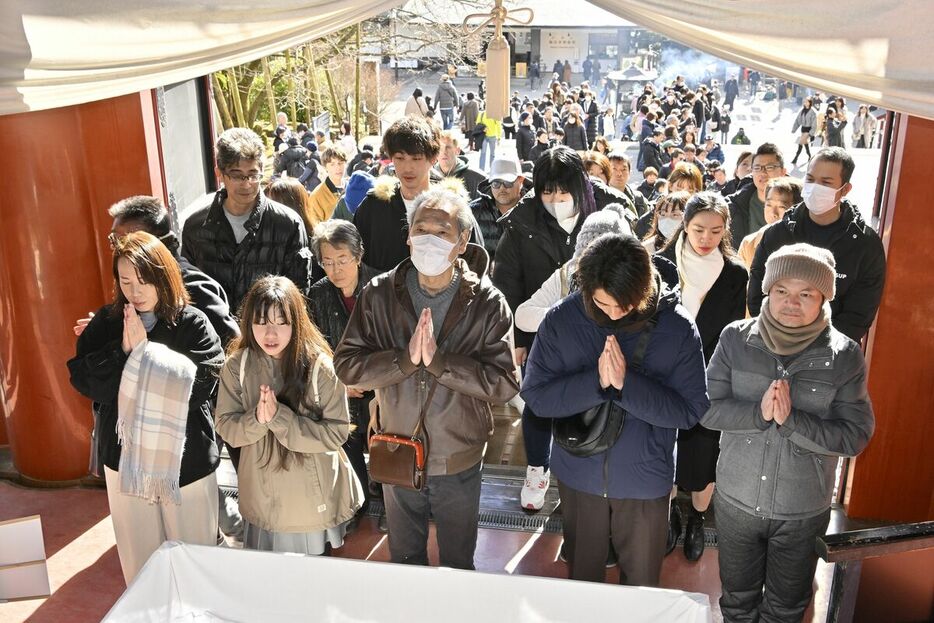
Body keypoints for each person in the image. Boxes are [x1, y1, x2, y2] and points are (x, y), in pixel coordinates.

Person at [334, 188, 519, 569]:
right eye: (422, 229)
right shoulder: (379, 293)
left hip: (459, 454)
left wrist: (439, 363)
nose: (429, 240)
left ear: (463, 241)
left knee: (457, 559)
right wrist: (403, 361)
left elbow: (504, 383)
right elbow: (347, 365)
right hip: (395, 447)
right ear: (408, 235)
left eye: (442, 231)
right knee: (404, 558)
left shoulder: (487, 302)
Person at [521, 233, 709, 586]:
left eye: (627, 304)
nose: (615, 313)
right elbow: (537, 396)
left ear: (647, 286)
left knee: (640, 585)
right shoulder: (562, 319)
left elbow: (690, 410)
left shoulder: (678, 327)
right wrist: (596, 382)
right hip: (579, 476)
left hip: (645, 480)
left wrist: (626, 385)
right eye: (603, 305)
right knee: (583, 579)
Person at [703, 243, 875, 622]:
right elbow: (706, 408)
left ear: (824, 298)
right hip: (736, 503)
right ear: (767, 290)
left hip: (801, 511)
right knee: (736, 601)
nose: (790, 303)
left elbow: (855, 436)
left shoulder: (844, 355)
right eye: (781, 290)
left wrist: (793, 420)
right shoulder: (735, 338)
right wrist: (758, 413)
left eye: (805, 294)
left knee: (785, 609)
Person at [68, 232, 224, 584]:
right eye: (125, 281)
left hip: (187, 460)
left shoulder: (192, 322)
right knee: (141, 565)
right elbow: (82, 378)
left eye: (144, 280)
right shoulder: (107, 323)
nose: (135, 291)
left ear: (164, 275)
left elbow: (201, 383)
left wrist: (144, 356)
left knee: (196, 560)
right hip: (126, 463)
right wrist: (122, 353)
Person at [215, 276, 363, 554]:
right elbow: (225, 426)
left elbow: (337, 432)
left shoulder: (320, 366)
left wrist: (280, 419)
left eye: (281, 322)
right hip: (261, 495)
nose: (271, 334)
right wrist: (257, 420)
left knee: (311, 581)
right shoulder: (238, 366)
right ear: (248, 322)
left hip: (308, 500)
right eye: (261, 322)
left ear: (297, 322)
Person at [492, 147, 604, 510]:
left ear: (580, 186)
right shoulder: (521, 222)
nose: (555, 200)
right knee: (538, 405)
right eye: (546, 191)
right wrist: (519, 340)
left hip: (595, 337)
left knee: (589, 404)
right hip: (540, 333)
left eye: (563, 191)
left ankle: (583, 471)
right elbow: (508, 286)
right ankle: (537, 468)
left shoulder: (605, 210)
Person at [656, 192, 748, 560]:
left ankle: (696, 516)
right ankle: (665, 514)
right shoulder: (660, 262)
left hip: (711, 374)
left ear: (725, 230)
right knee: (660, 443)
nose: (705, 238)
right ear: (685, 226)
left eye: (715, 230)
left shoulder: (735, 273)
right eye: (698, 229)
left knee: (703, 445)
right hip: (662, 371)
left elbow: (733, 330)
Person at [749, 148, 886, 342]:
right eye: (810, 179)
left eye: (826, 183)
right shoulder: (779, 233)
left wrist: (820, 349)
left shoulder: (864, 245)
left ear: (845, 189)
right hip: (772, 343)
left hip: (828, 355)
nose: (815, 187)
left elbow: (859, 314)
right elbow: (757, 291)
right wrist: (777, 339)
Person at [181, 128, 312, 313]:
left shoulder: (288, 224)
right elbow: (188, 292)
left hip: (268, 335)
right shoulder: (196, 227)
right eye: (236, 175)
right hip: (213, 335)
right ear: (220, 173)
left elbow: (298, 297)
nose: (246, 183)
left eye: (253, 174)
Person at [306, 222, 379, 522]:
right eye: (327, 262)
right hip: (339, 391)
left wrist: (372, 381)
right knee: (350, 465)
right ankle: (355, 508)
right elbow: (313, 346)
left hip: (381, 390)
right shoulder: (318, 293)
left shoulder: (382, 286)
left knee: (388, 465)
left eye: (342, 260)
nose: (335, 270)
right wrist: (339, 382)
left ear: (359, 256)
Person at [352, 116, 440, 271]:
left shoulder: (451, 209)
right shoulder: (373, 207)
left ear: (433, 159)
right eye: (400, 158)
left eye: (416, 158)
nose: (407, 168)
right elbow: (355, 262)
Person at [469, 158, 530, 263]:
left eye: (508, 182)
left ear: (521, 181)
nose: (502, 188)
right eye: (496, 183)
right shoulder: (472, 212)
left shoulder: (536, 210)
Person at [726, 143, 787, 245]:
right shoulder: (734, 205)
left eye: (770, 167)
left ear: (783, 172)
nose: (763, 173)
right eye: (757, 168)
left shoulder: (797, 205)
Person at [738, 177, 801, 269]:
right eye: (769, 205)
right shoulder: (749, 243)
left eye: (781, 207)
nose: (773, 213)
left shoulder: (808, 242)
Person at [434, 131, 487, 200]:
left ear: (457, 151)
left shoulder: (478, 178)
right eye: (440, 148)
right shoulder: (428, 177)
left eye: (448, 147)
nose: (444, 152)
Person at [308, 145, 347, 226]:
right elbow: (316, 228)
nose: (338, 167)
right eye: (332, 164)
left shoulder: (351, 187)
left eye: (341, 163)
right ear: (325, 167)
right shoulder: (317, 196)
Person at [607, 152, 648, 217]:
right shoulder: (599, 198)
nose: (619, 173)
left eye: (624, 169)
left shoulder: (639, 199)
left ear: (629, 172)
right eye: (614, 169)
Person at [791, 97, 817, 166]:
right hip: (803, 129)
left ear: (810, 103)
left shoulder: (812, 112)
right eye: (804, 102)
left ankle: (795, 158)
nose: (805, 103)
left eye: (807, 102)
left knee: (800, 143)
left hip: (808, 130)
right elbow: (798, 120)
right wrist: (794, 129)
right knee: (805, 144)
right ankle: (809, 156)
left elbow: (814, 124)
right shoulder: (802, 111)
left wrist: (811, 133)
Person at [476, 107, 502, 173]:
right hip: (484, 136)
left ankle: (492, 169)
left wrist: (499, 137)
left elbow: (499, 126)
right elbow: (477, 123)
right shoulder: (481, 114)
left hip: (492, 136)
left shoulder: (495, 115)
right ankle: (481, 170)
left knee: (492, 153)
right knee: (483, 153)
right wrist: (483, 128)